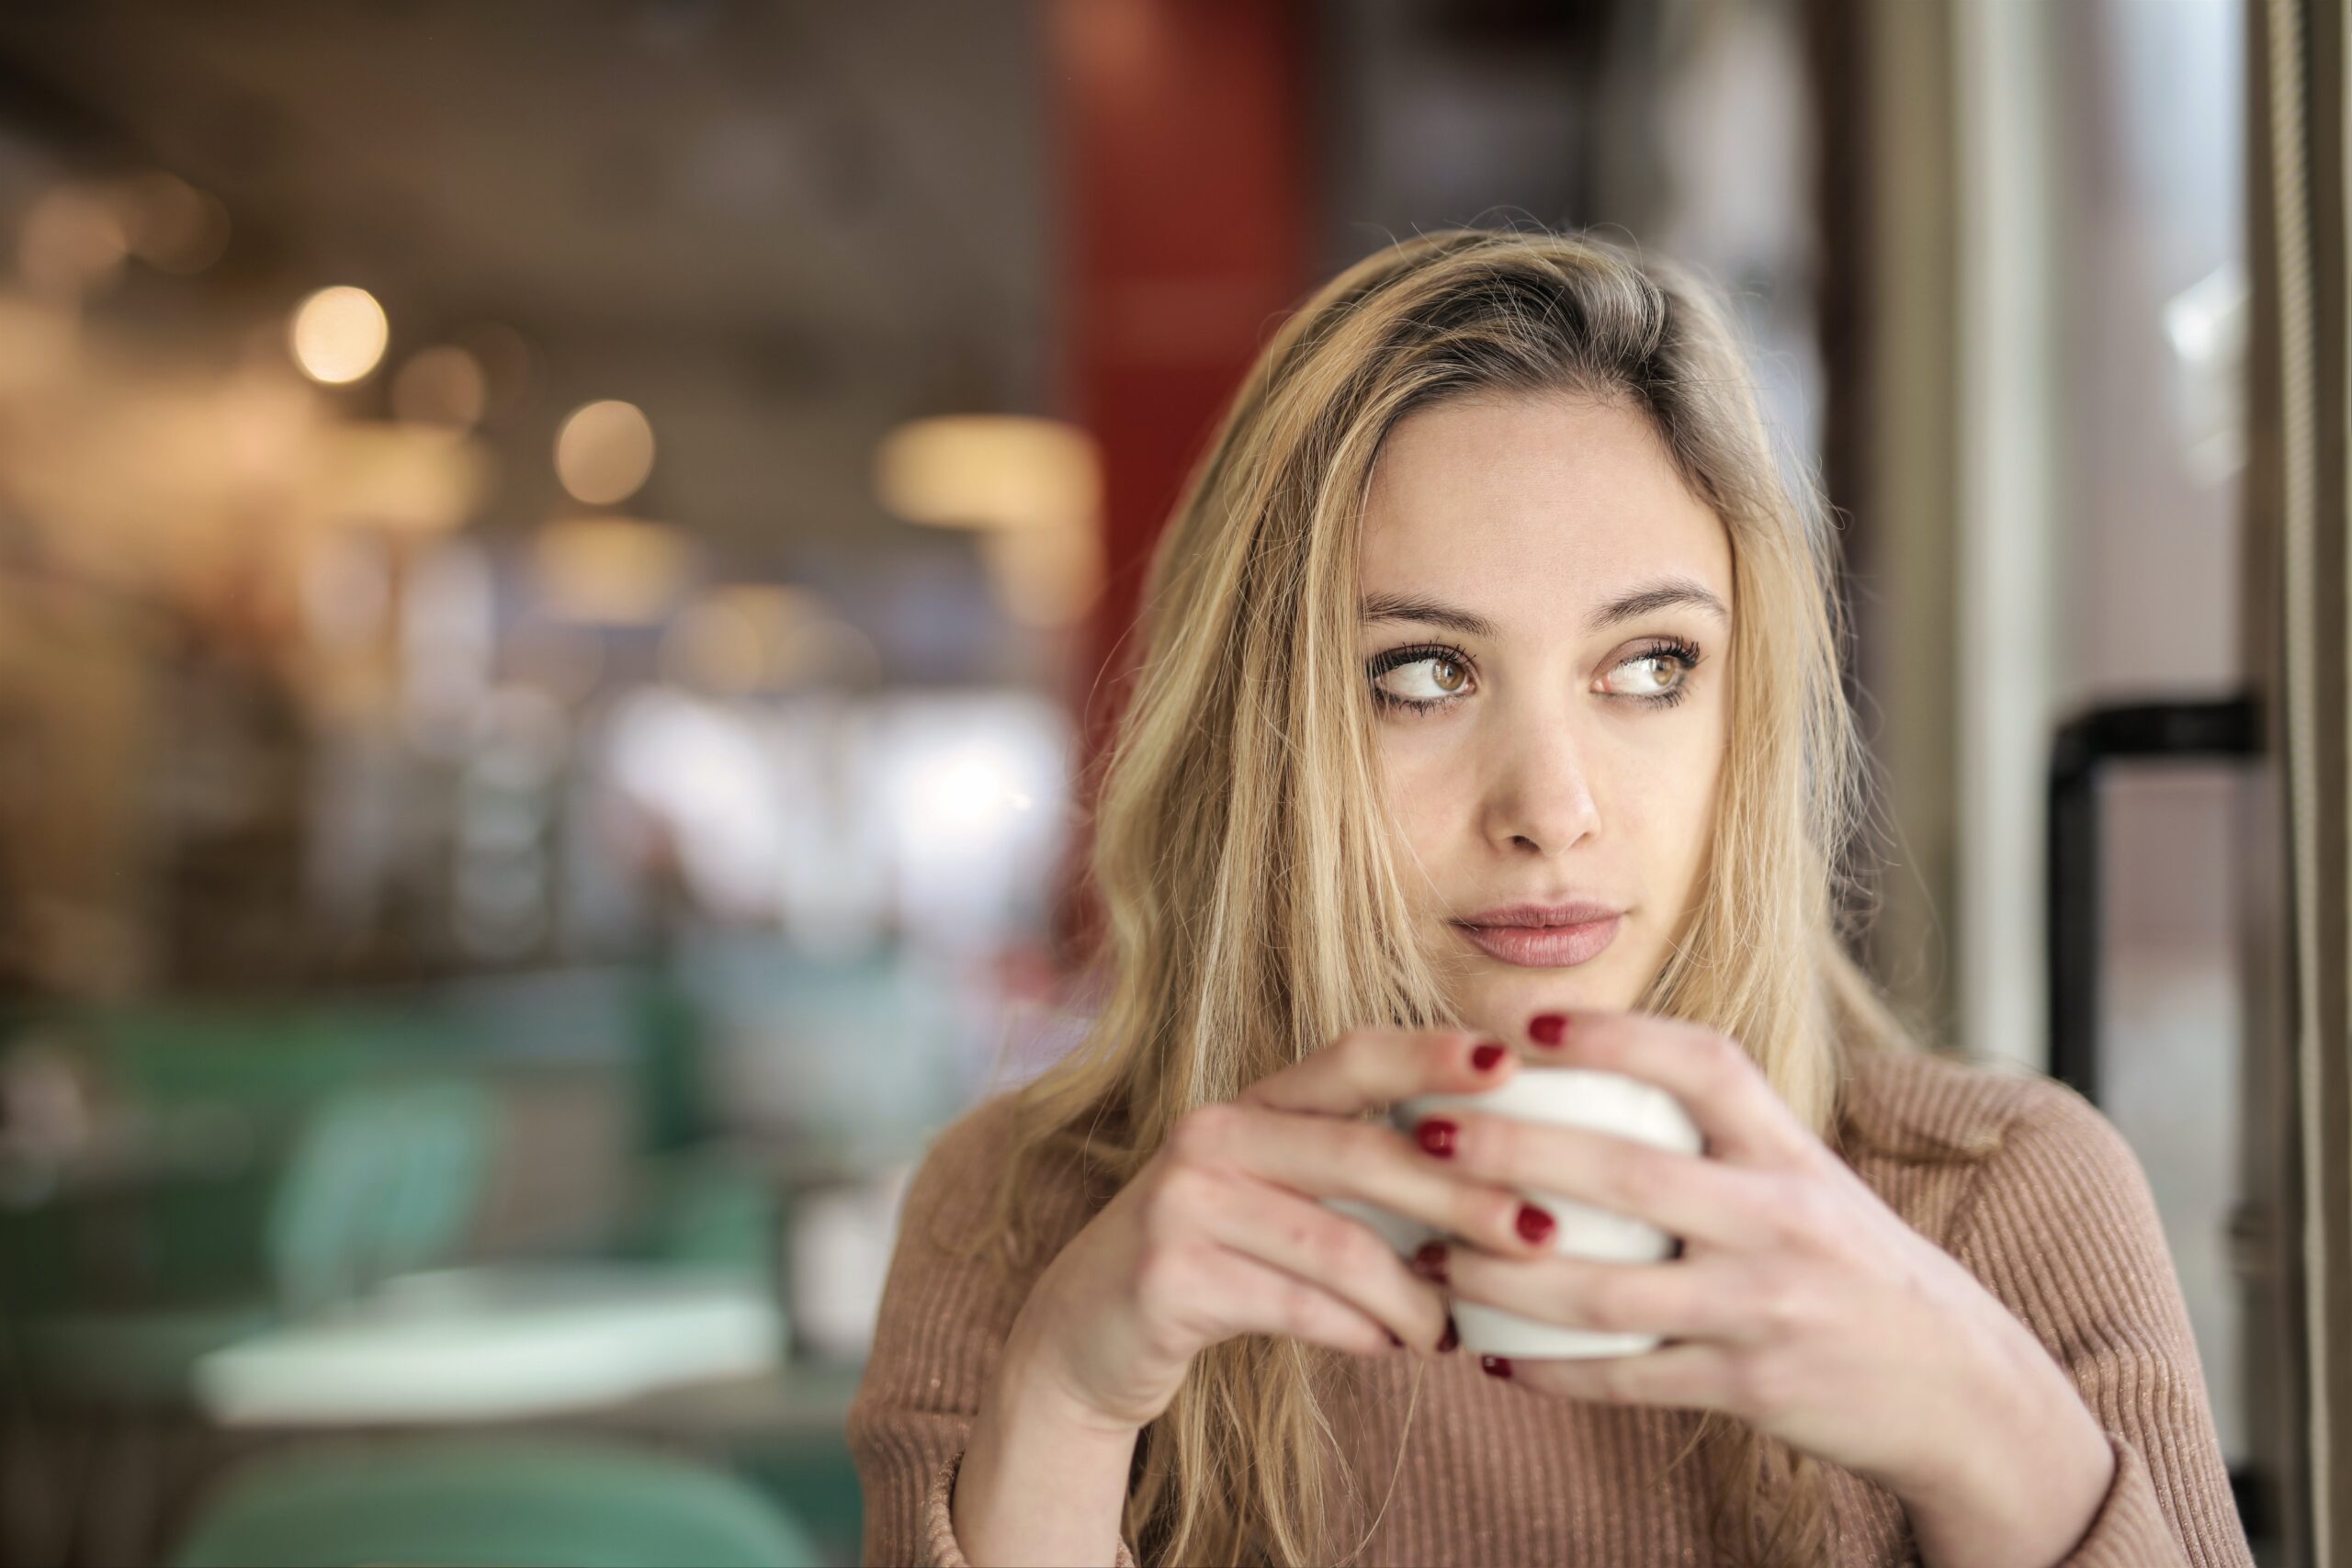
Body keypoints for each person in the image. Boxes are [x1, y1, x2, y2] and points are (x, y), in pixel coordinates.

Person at [846, 229, 2254, 1568]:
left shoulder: (2001, 1201)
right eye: (1422, 675)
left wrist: (1985, 1428)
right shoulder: (1027, 1216)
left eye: (1651, 667)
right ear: (1261, 739)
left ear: (1746, 717)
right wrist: (1070, 1403)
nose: (1551, 811)